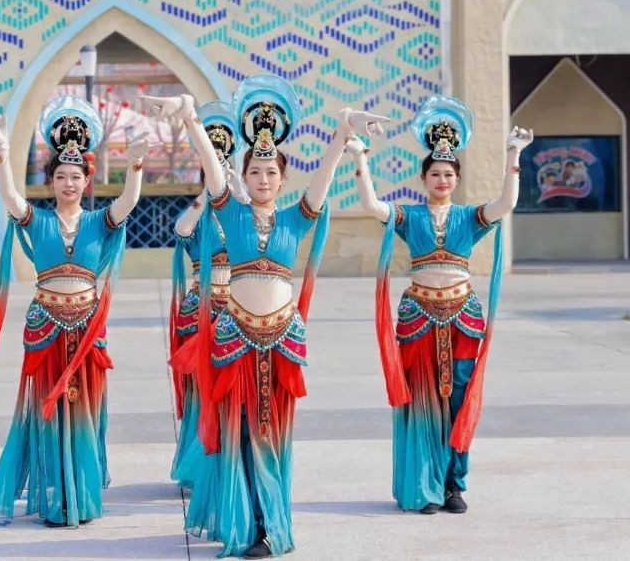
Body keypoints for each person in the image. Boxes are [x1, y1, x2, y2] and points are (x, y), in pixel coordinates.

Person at [145, 75, 388, 558]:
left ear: (282, 178)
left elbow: (322, 180)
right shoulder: (231, 213)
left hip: (280, 342)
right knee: (238, 433)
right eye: (254, 171)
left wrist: (343, 132)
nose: (261, 179)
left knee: (273, 434)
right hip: (235, 338)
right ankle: (246, 526)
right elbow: (210, 165)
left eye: (270, 172)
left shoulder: (297, 217)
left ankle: (270, 525)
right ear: (245, 175)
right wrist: (190, 116)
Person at [0, 95, 158, 527]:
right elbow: (10, 196)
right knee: (48, 414)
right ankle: (56, 500)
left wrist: (135, 165)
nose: (69, 183)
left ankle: (80, 498)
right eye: (61, 176)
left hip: (86, 332)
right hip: (47, 328)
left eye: (76, 177)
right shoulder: (37, 220)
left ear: (87, 181)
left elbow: (128, 202)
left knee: (84, 412)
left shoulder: (100, 221)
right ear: (51, 182)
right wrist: (1, 152)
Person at [352, 95, 533, 514]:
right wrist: (360, 158)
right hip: (418, 317)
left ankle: (454, 484)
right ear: (424, 178)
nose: (442, 179)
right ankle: (426, 485)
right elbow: (372, 206)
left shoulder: (470, 217)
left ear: (457, 178)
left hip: (462, 318)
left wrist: (513, 156)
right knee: (421, 399)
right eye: (435, 173)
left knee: (459, 398)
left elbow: (506, 204)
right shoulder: (410, 217)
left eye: (449, 174)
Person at [169, 101, 248, 491]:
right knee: (201, 389)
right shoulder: (197, 214)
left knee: (230, 388)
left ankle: (227, 458)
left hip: (236, 308)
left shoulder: (239, 214)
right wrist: (206, 195)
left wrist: (235, 186)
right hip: (201, 309)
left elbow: (252, 216)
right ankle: (198, 462)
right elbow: (181, 230)